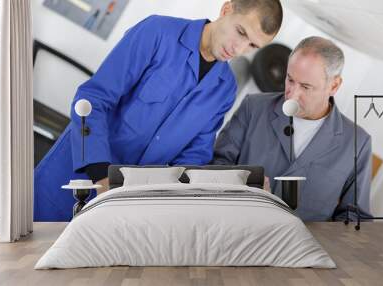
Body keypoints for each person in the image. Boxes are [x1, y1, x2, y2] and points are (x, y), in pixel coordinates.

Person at [34, 0, 284, 221]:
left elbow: (194, 156)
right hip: (71, 178)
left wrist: (235, 185)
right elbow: (92, 100)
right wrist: (102, 177)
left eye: (252, 45)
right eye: (241, 32)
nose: (239, 49)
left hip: (127, 204)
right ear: (226, 10)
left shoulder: (225, 89)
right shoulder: (157, 32)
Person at [213, 36, 372, 221]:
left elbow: (354, 219)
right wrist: (240, 183)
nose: (293, 95)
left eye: (305, 86)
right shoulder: (253, 108)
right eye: (290, 80)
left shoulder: (357, 143)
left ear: (334, 85)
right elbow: (216, 164)